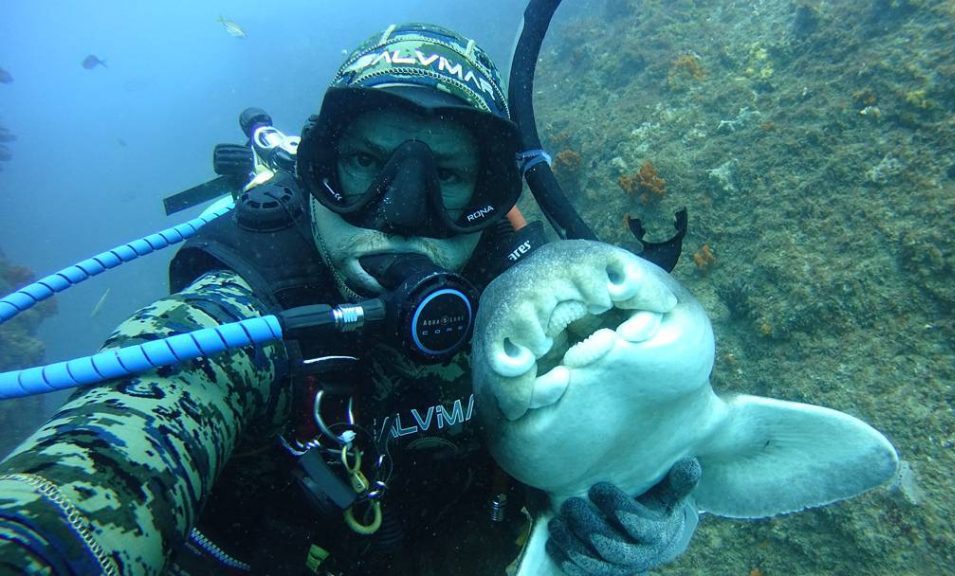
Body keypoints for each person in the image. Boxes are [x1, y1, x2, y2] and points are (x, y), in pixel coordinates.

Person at [0, 23, 700, 576]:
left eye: (447, 175)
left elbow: (650, 447)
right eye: (367, 162)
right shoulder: (240, 321)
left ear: (489, 200)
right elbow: (108, 457)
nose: (395, 213)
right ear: (317, 171)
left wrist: (635, 506)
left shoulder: (545, 315)